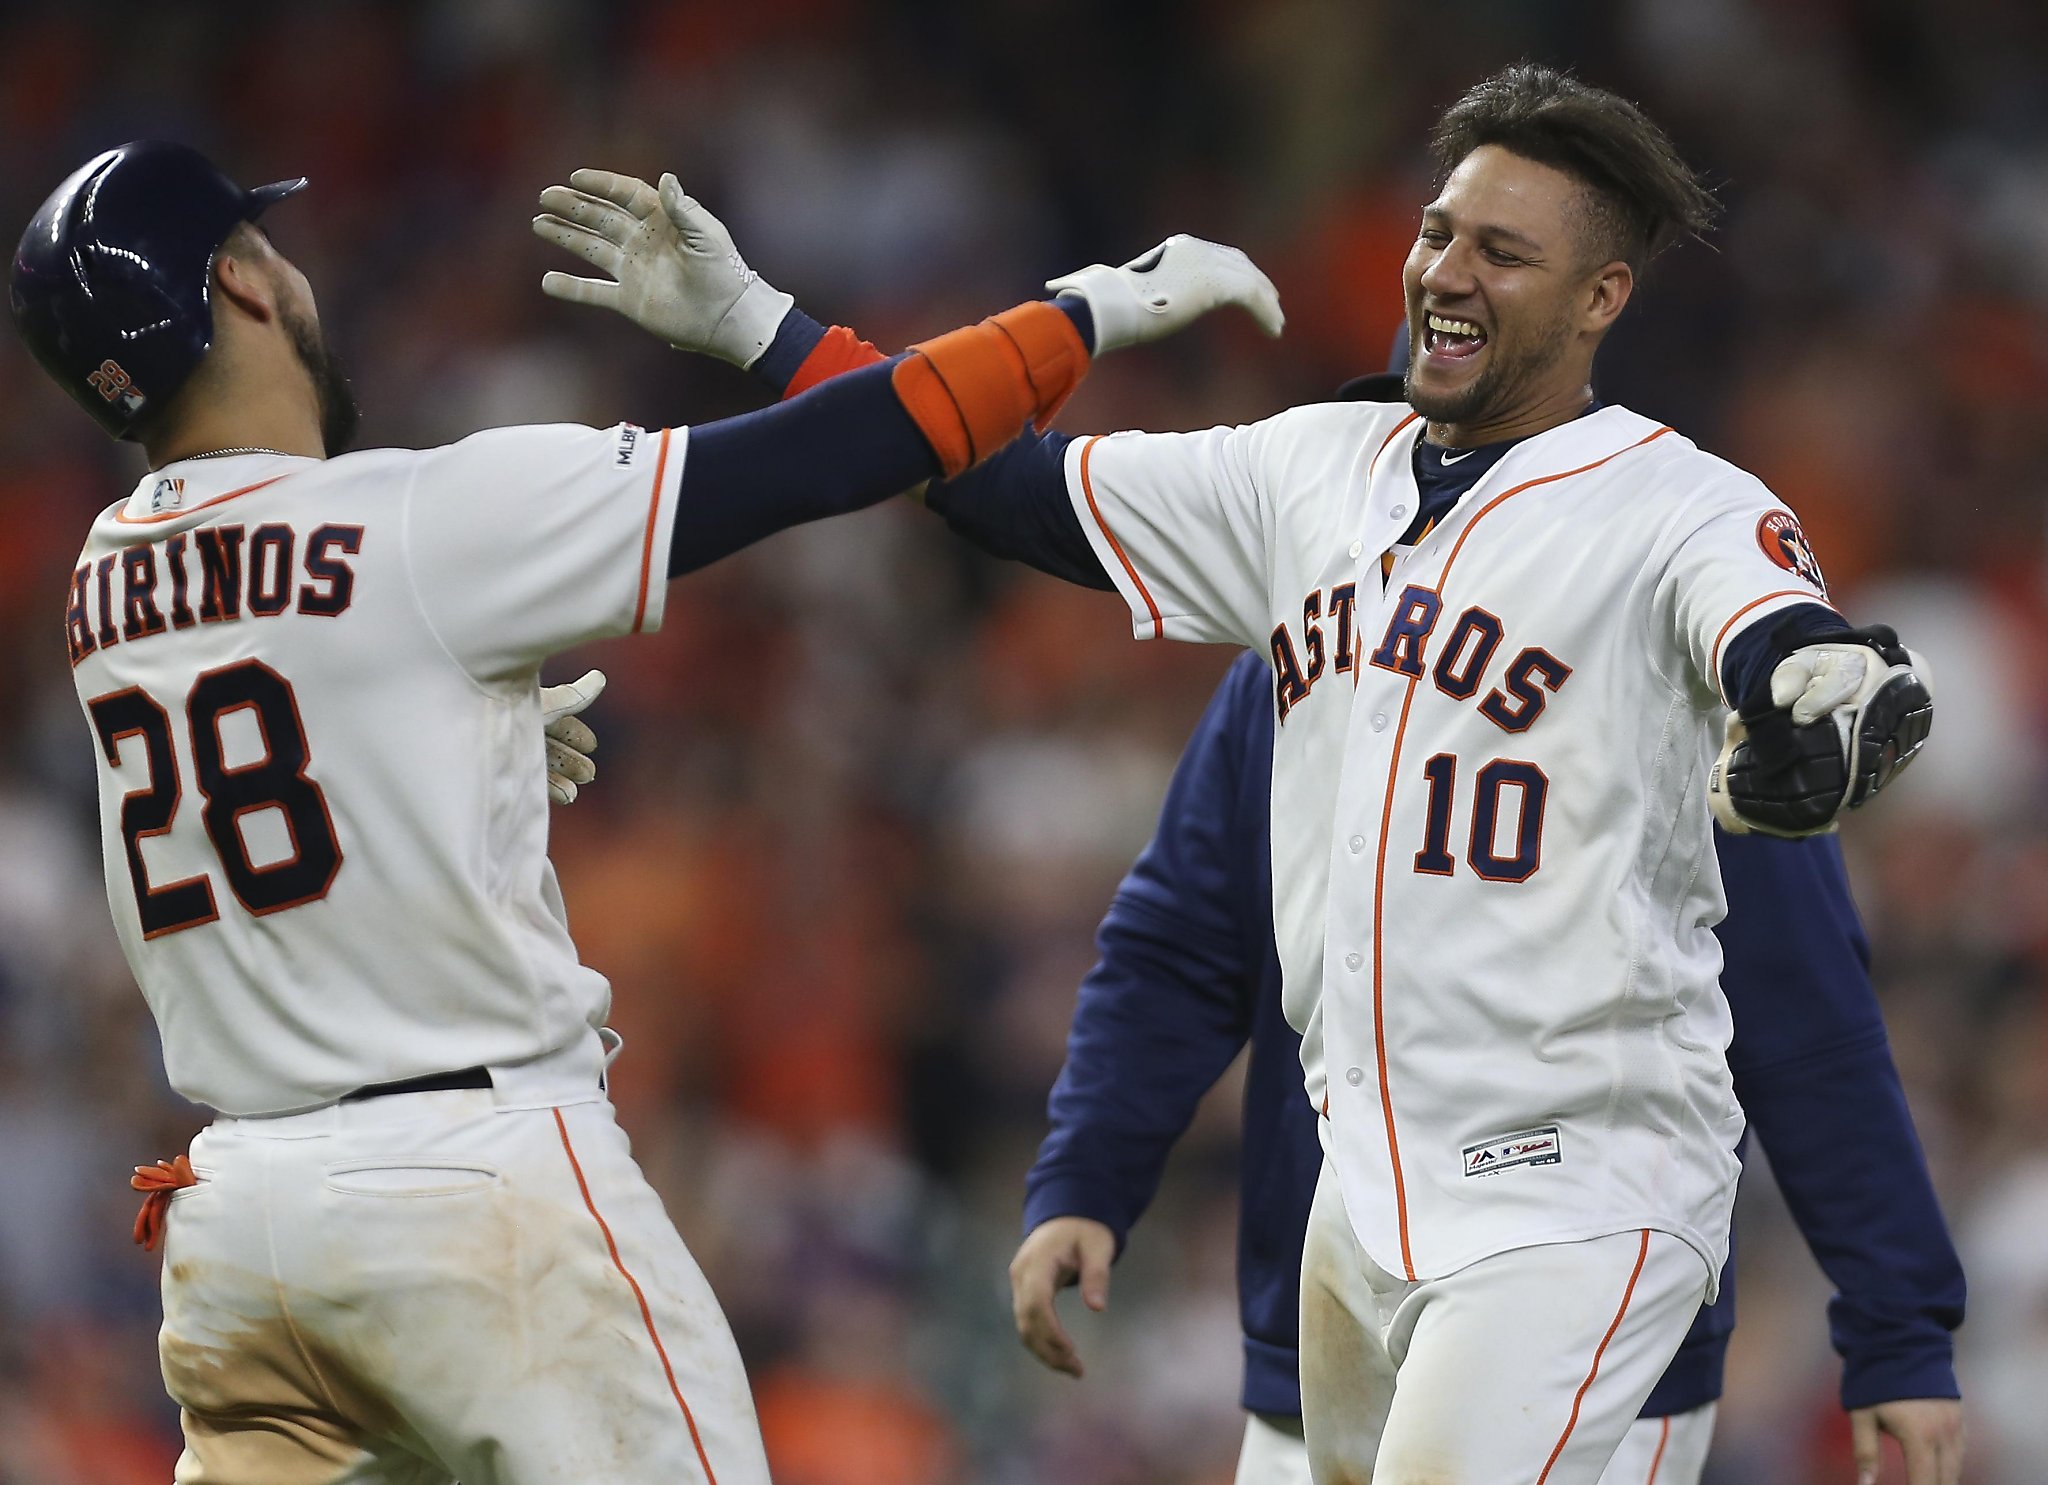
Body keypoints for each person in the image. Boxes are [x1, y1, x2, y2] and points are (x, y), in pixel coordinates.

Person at [538, 62, 1937, 1483]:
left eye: (1503, 251)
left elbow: (1770, 628)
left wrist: (1805, 674)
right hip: (1362, 1186)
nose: (1446, 271)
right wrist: (762, 331)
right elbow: (1003, 485)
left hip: (1585, 1185)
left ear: (1601, 299)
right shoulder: (1312, 471)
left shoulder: (1678, 504)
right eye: (1438, 231)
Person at [11, 139, 1276, 1485]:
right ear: (243, 285)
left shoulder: (104, 583)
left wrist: (454, 743)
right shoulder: (422, 518)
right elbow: (845, 448)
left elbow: (279, 715)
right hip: (467, 1189)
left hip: (240, 1229)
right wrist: (1091, 308)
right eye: (264, 245)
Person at [1008, 649, 1965, 1485]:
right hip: (1324, 1352)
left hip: (1587, 1371)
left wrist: (1899, 1325)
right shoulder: (1305, 646)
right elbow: (1180, 947)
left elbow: (1801, 1013)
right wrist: (1088, 1173)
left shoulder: (1671, 674)